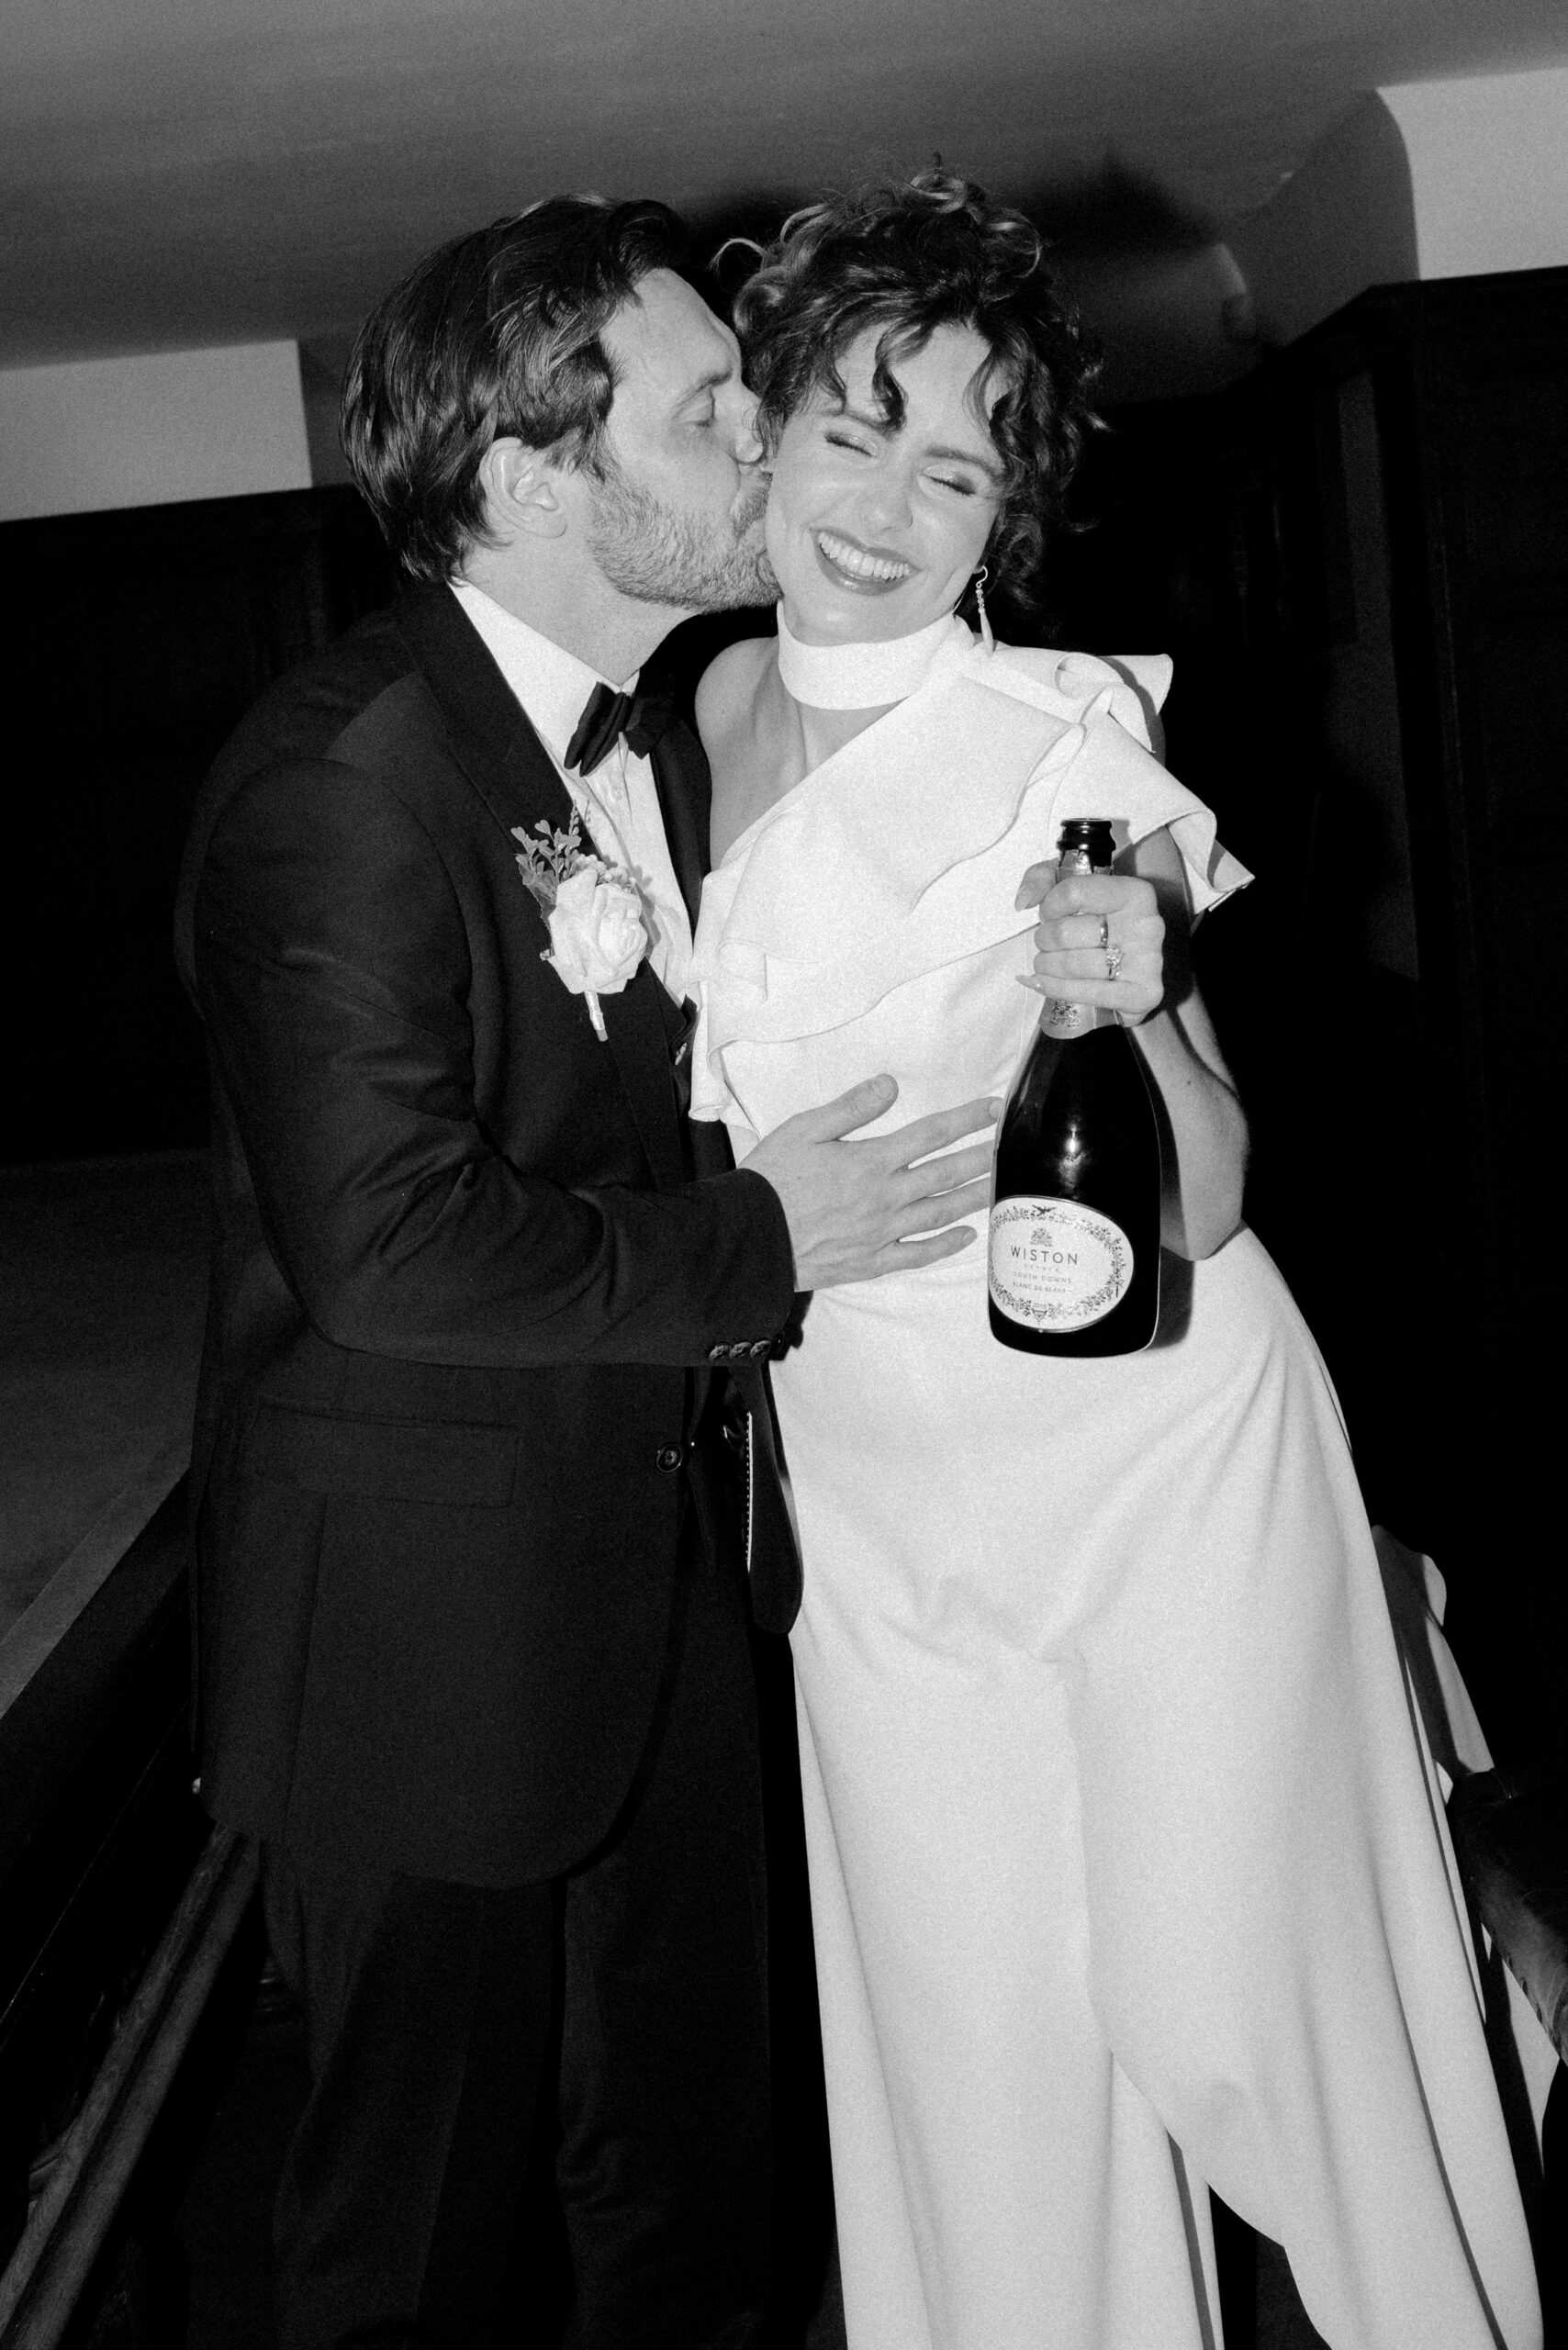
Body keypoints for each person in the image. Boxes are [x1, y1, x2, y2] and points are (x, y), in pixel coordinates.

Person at [689, 173, 1541, 2350]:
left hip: (1145, 1446)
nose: (886, 506)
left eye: (953, 469)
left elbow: (1211, 1189)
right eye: (855, 429)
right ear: (765, 426)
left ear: (1006, 516)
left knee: (1249, 2004)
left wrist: (1141, 995)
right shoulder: (707, 715)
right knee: (975, 2067)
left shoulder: (1069, 743)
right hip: (873, 1489)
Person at [173, 196, 1003, 2350]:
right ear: (536, 474)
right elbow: (383, 1244)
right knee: (412, 2254)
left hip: (663, 1584)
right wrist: (762, 1240)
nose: (763, 442)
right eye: (708, 408)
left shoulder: (648, 743)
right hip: (423, 1641)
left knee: (692, 2193)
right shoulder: (345, 775)